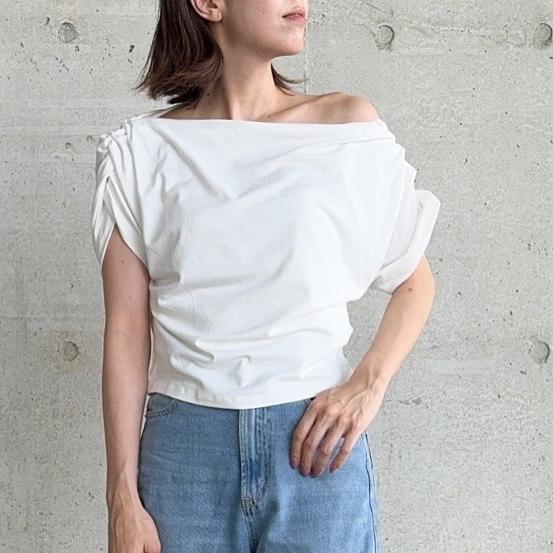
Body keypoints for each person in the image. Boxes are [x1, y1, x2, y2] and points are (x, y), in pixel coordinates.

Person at [90, 1, 441, 552]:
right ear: (210, 3)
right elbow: (127, 329)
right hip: (184, 460)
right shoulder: (140, 153)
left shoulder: (345, 130)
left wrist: (367, 386)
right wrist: (121, 499)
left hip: (316, 451)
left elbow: (414, 281)